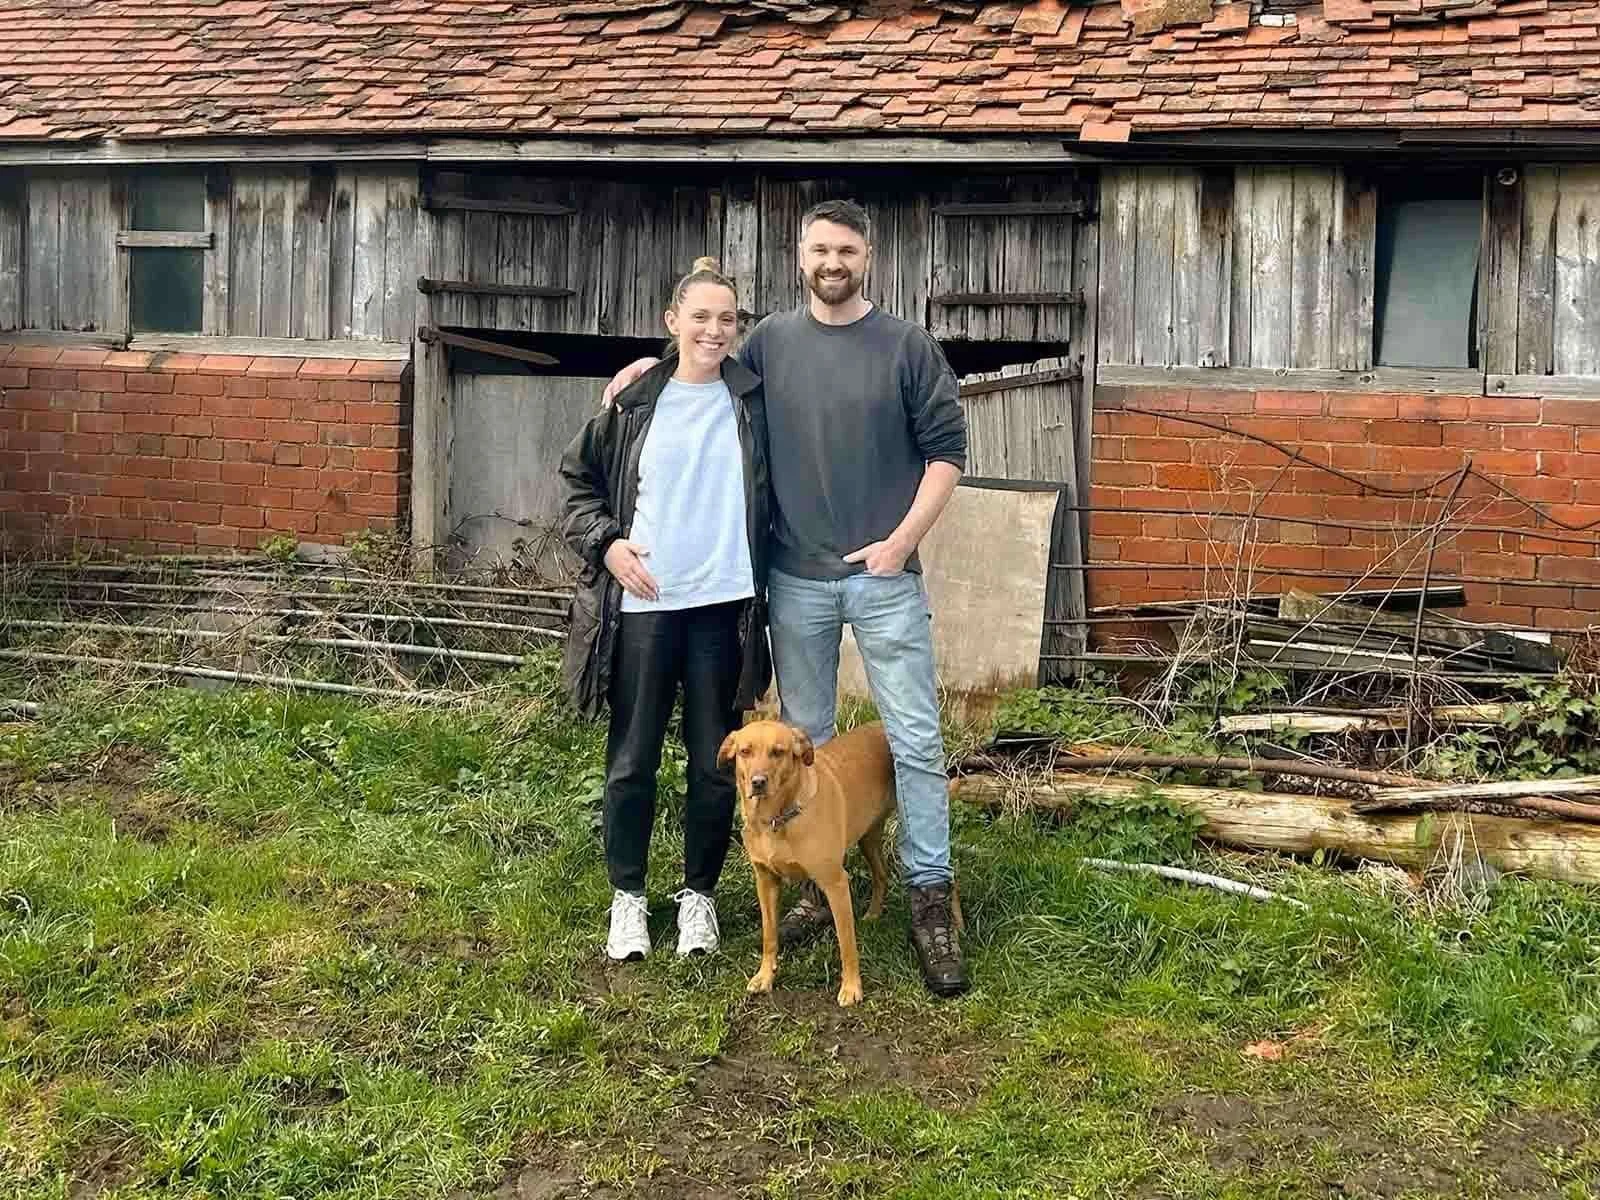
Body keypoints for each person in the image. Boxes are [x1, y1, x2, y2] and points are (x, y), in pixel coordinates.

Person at [601, 200, 970, 997]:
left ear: (868, 255)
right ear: (799, 259)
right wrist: (641, 372)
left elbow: (947, 456)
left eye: (845, 249)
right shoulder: (767, 340)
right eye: (817, 250)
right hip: (794, 582)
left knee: (912, 740)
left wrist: (901, 543)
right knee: (811, 745)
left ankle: (930, 895)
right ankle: (814, 880)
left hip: (883, 579)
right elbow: (697, 364)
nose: (831, 262)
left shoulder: (907, 346)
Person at [560, 257, 772, 963]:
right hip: (645, 610)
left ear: (738, 330)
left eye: (727, 319)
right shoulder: (632, 404)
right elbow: (577, 484)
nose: (714, 330)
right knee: (632, 760)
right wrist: (609, 544)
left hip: (724, 610)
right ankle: (628, 899)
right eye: (701, 317)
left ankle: (699, 899)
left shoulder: (756, 402)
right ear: (672, 323)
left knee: (716, 766)